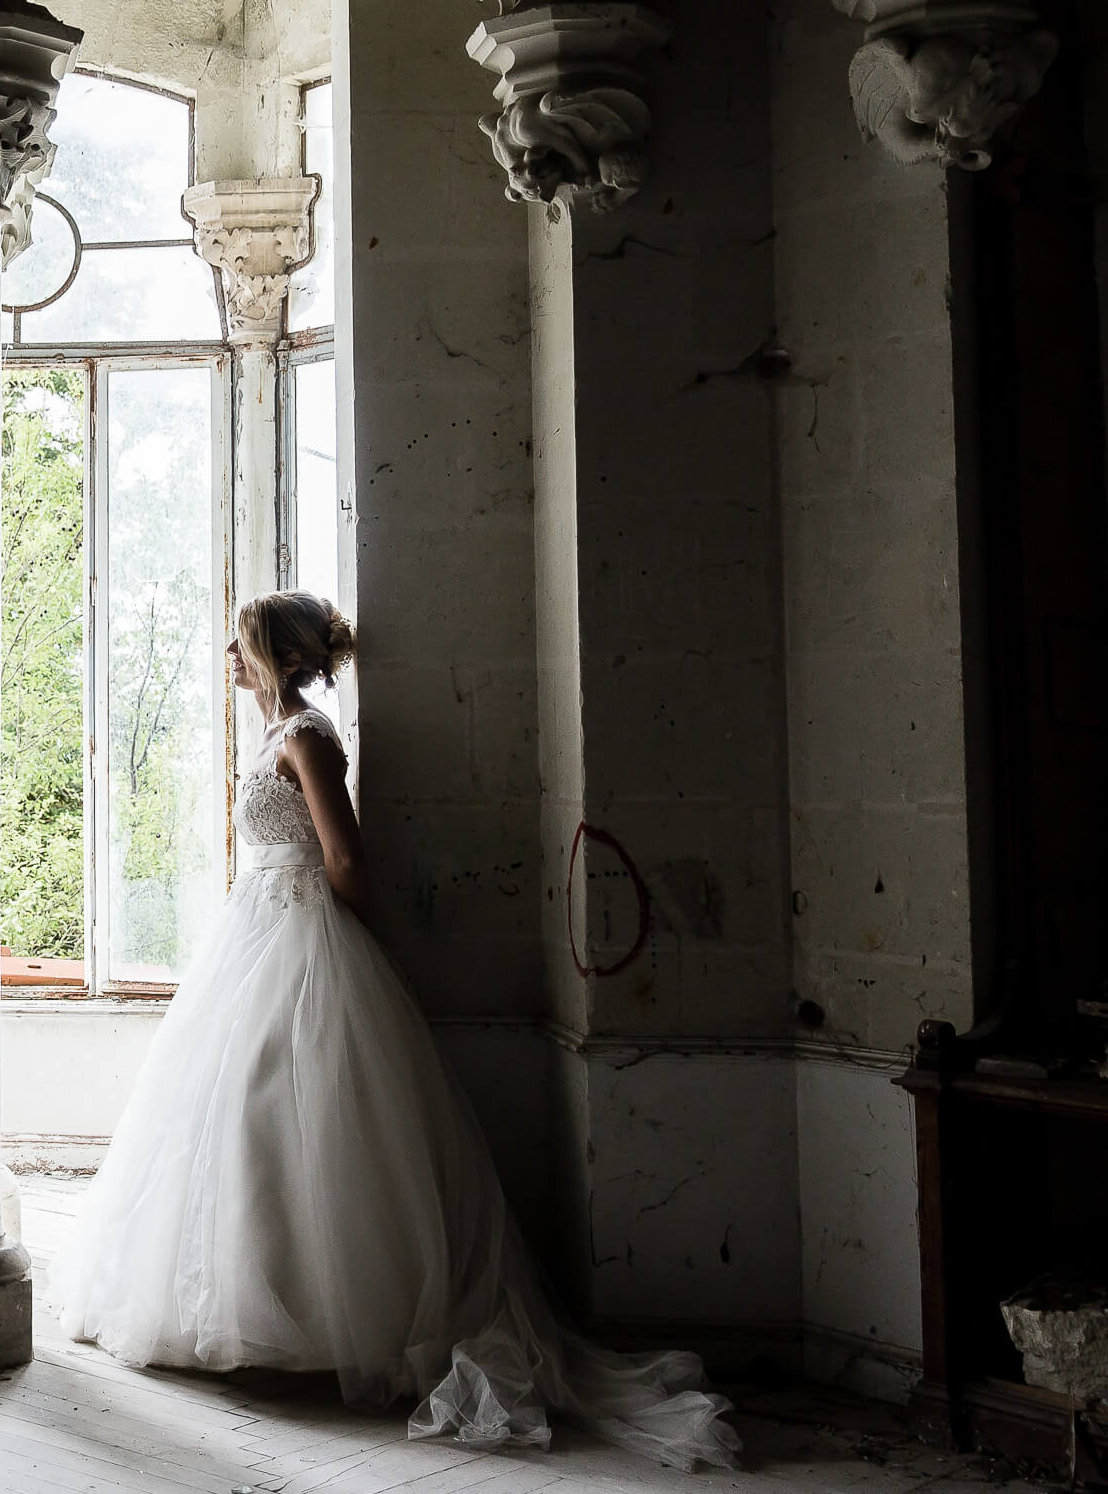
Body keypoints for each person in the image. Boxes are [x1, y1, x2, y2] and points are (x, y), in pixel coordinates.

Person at [55, 590, 740, 1471]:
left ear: (276, 656)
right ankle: (234, 1310)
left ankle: (320, 1321)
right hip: (254, 929)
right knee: (235, 1119)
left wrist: (338, 940)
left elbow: (344, 857)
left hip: (301, 932)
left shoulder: (307, 736)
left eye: (242, 642)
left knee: (298, 1115)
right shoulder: (272, 735)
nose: (228, 653)